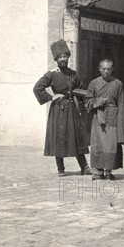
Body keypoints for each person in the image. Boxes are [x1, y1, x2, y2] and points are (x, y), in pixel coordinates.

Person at [33, 39, 91, 177]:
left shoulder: (74, 74)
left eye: (65, 56)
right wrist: (50, 97)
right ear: (56, 59)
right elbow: (37, 88)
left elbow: (81, 89)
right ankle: (61, 169)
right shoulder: (51, 74)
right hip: (59, 109)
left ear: (68, 57)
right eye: (60, 57)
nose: (63, 59)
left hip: (73, 109)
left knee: (77, 137)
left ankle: (85, 167)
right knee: (59, 137)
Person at [85, 59, 124, 180]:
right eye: (104, 69)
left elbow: (121, 104)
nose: (106, 71)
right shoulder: (94, 83)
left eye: (109, 69)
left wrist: (121, 122)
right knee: (98, 144)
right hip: (98, 116)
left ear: (112, 69)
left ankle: (109, 171)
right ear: (99, 69)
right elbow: (87, 101)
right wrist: (97, 102)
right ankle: (98, 171)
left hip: (112, 115)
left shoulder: (118, 84)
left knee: (110, 144)